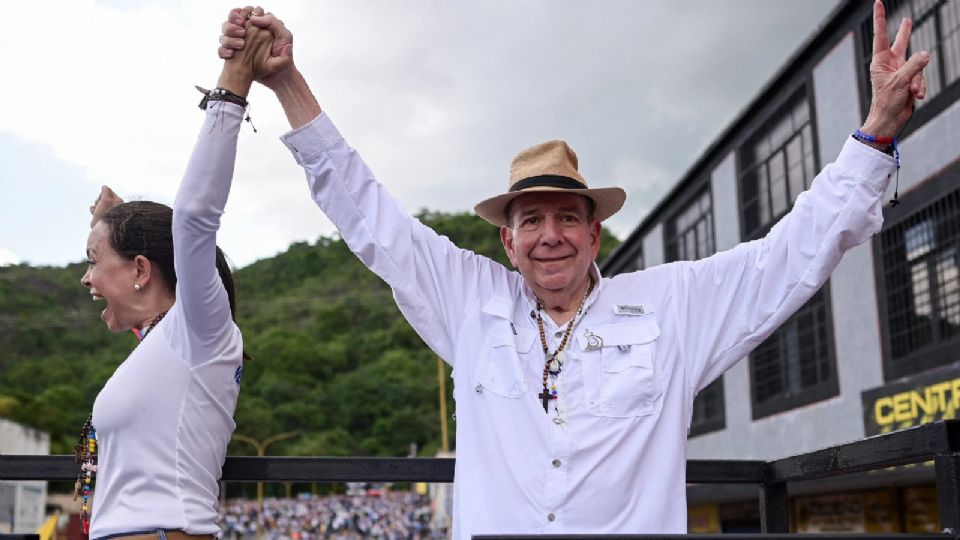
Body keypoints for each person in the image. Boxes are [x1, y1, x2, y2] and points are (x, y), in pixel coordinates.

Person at [217, 2, 928, 537]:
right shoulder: (470, 304)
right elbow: (369, 217)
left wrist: (876, 132)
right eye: (531, 219)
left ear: (595, 233)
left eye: (566, 218)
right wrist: (288, 82)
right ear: (507, 239)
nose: (549, 235)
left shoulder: (669, 306)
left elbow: (789, 257)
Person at [76, 12, 274, 540]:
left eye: (93, 261)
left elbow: (192, 218)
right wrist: (112, 225)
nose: (85, 278)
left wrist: (233, 83)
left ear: (141, 270)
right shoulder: (171, 342)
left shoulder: (201, 330)